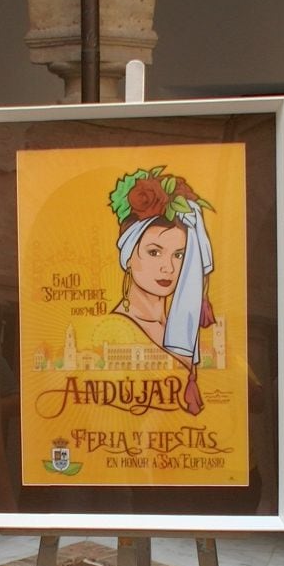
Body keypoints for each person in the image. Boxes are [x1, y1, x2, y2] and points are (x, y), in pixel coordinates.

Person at [110, 166, 215, 414]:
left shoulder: (181, 327)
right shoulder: (113, 329)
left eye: (179, 255)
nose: (168, 267)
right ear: (128, 256)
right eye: (154, 252)